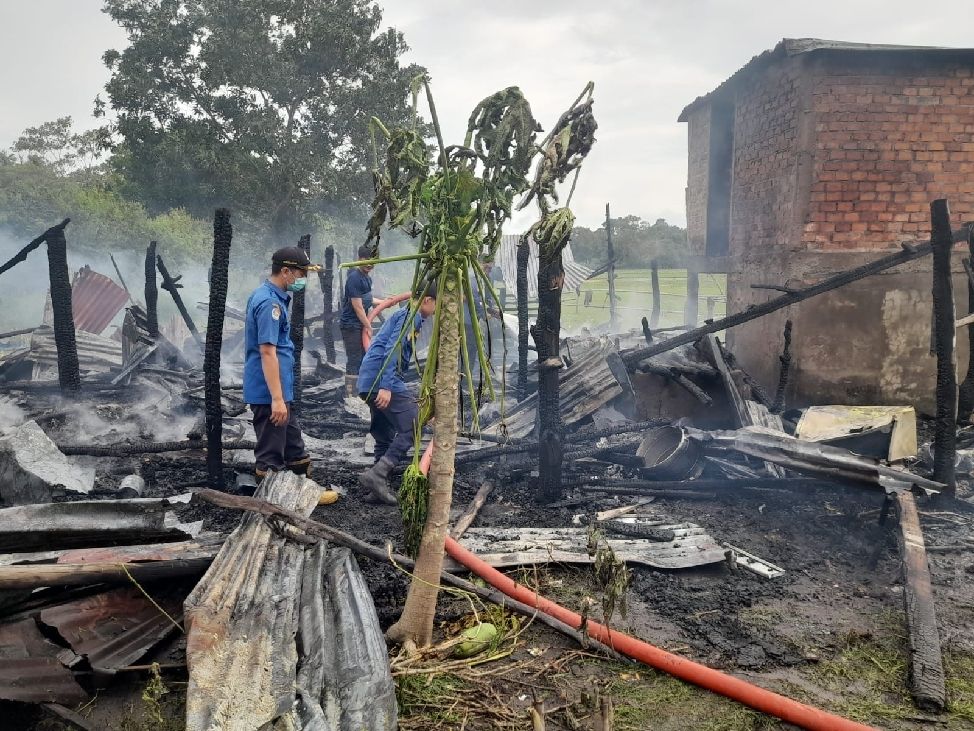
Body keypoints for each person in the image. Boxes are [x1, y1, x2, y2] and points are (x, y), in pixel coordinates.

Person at [243, 246, 336, 504]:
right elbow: (267, 352)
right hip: (269, 393)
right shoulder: (269, 303)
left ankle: (303, 495)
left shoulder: (275, 297)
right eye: (301, 273)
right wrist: (276, 399)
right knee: (271, 454)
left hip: (279, 391)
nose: (302, 279)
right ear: (285, 271)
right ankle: (273, 505)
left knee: (294, 446)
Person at [356, 283, 437, 504]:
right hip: (379, 380)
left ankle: (377, 489)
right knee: (414, 424)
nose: (436, 312)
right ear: (427, 300)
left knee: (384, 433)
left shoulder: (406, 314)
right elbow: (394, 349)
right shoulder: (412, 317)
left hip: (369, 379)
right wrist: (386, 386)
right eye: (437, 305)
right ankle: (378, 474)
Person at [339, 244, 385, 396]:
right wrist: (368, 326)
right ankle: (350, 394)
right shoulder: (354, 278)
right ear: (360, 259)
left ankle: (361, 390)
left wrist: (387, 302)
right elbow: (358, 307)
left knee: (363, 356)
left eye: (374, 261)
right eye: (367, 260)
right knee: (354, 357)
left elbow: (368, 299)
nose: (370, 264)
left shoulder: (367, 278)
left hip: (360, 324)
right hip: (351, 325)